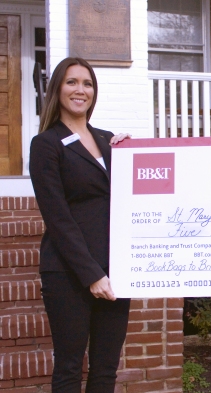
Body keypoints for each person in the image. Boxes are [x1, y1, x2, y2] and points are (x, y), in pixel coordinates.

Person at [29, 57, 131, 392]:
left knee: (105, 370)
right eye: (72, 82)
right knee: (70, 369)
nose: (80, 90)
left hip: (115, 270)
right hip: (69, 273)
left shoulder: (108, 140)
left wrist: (135, 153)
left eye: (87, 83)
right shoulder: (46, 144)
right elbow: (57, 218)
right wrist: (92, 275)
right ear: (57, 88)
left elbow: (132, 194)